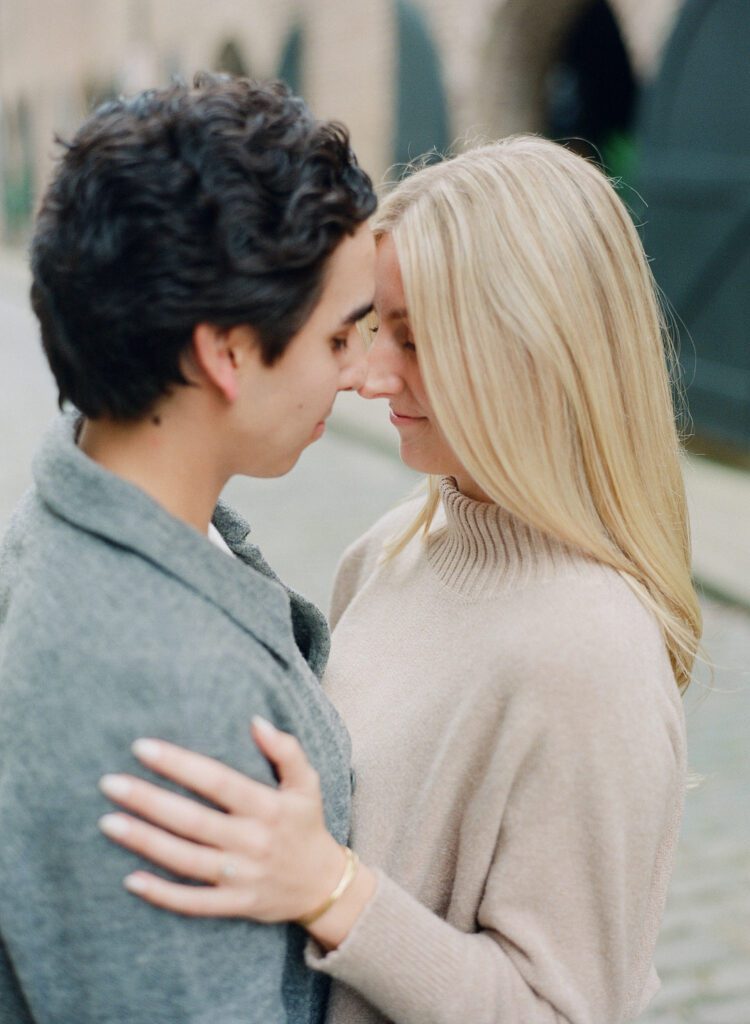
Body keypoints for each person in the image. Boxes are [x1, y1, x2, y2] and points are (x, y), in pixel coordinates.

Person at [99, 137, 702, 1023]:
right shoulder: (391, 548)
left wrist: (330, 888)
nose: (369, 375)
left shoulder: (591, 650)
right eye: (377, 327)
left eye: (414, 340)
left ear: (534, 350)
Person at [0, 74, 377, 1024]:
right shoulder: (155, 683)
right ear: (229, 353)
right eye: (340, 336)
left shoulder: (96, 512)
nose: (361, 370)